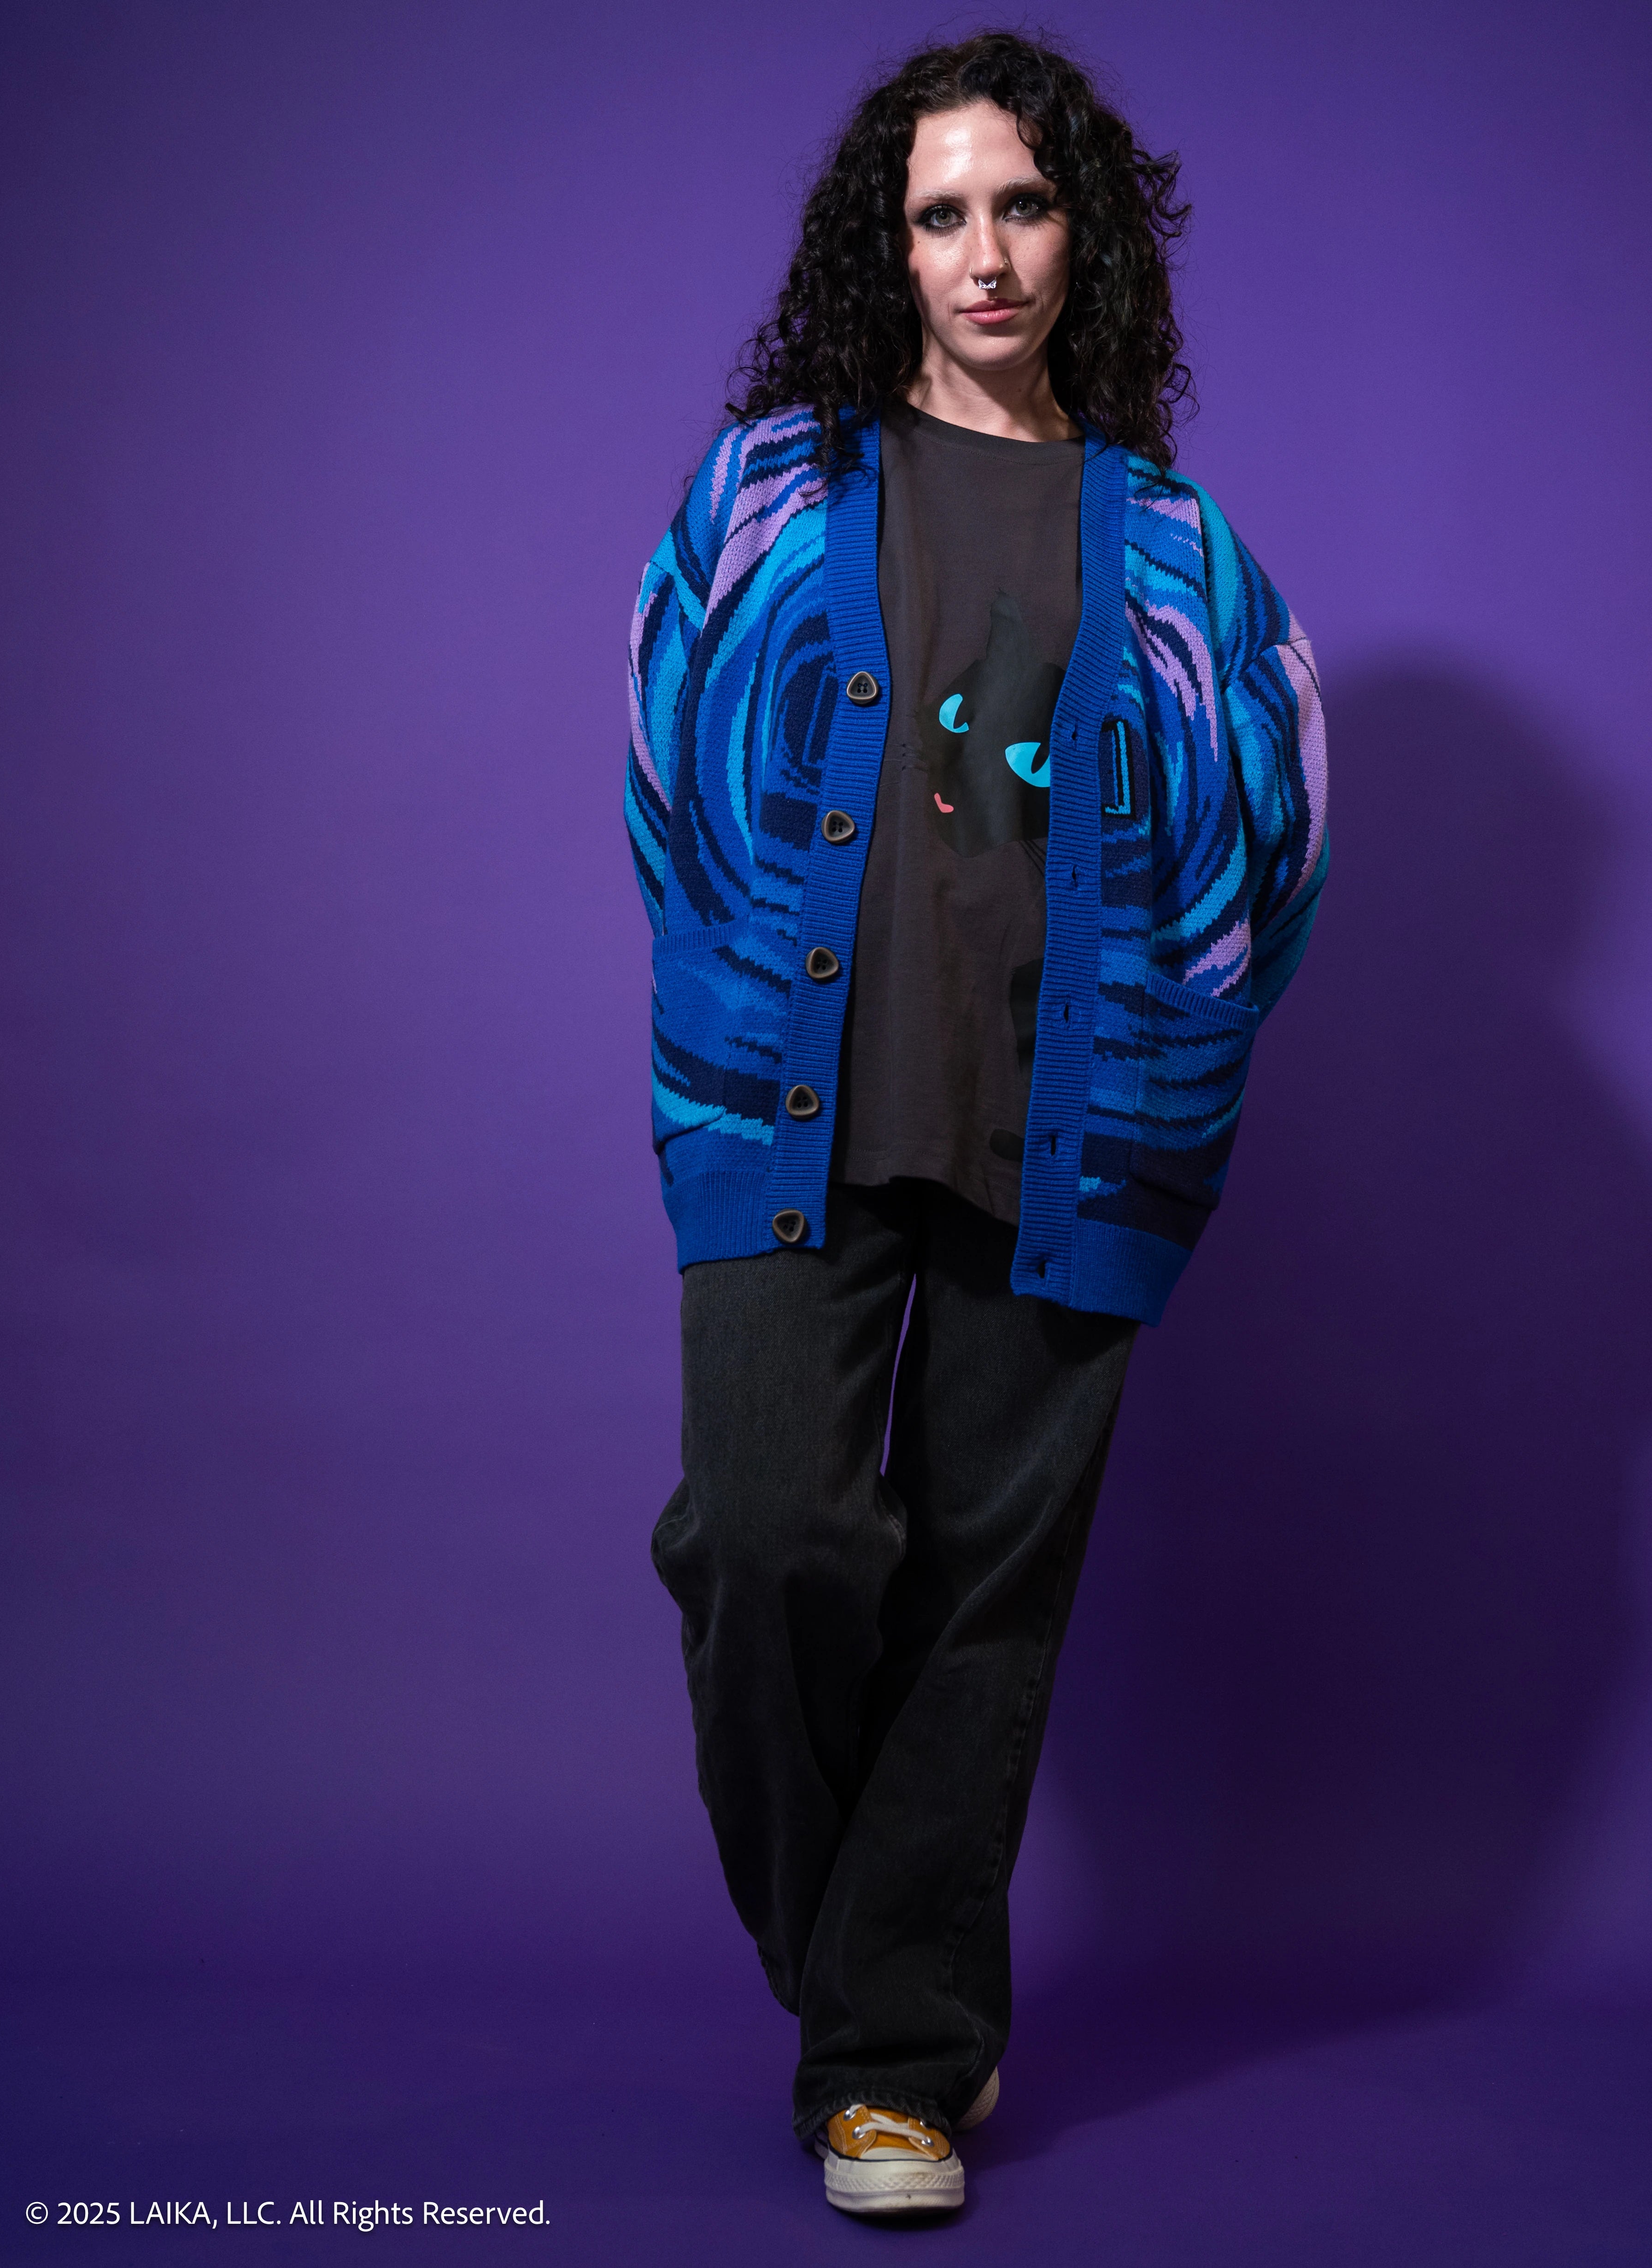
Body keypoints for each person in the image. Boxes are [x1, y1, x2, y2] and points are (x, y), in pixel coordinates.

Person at [624, 29, 1327, 2219]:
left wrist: (1162, 1067)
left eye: (1022, 205)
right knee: (768, 1541)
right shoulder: (766, 492)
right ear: (889, 248)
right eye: (940, 214)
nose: (986, 253)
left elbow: (1270, 852)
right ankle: (879, 1968)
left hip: (1074, 1135)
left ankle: (892, 2072)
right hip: (788, 1104)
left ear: (1082, 235)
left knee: (981, 1606)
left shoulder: (1184, 551)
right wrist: (746, 1002)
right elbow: (670, 779)